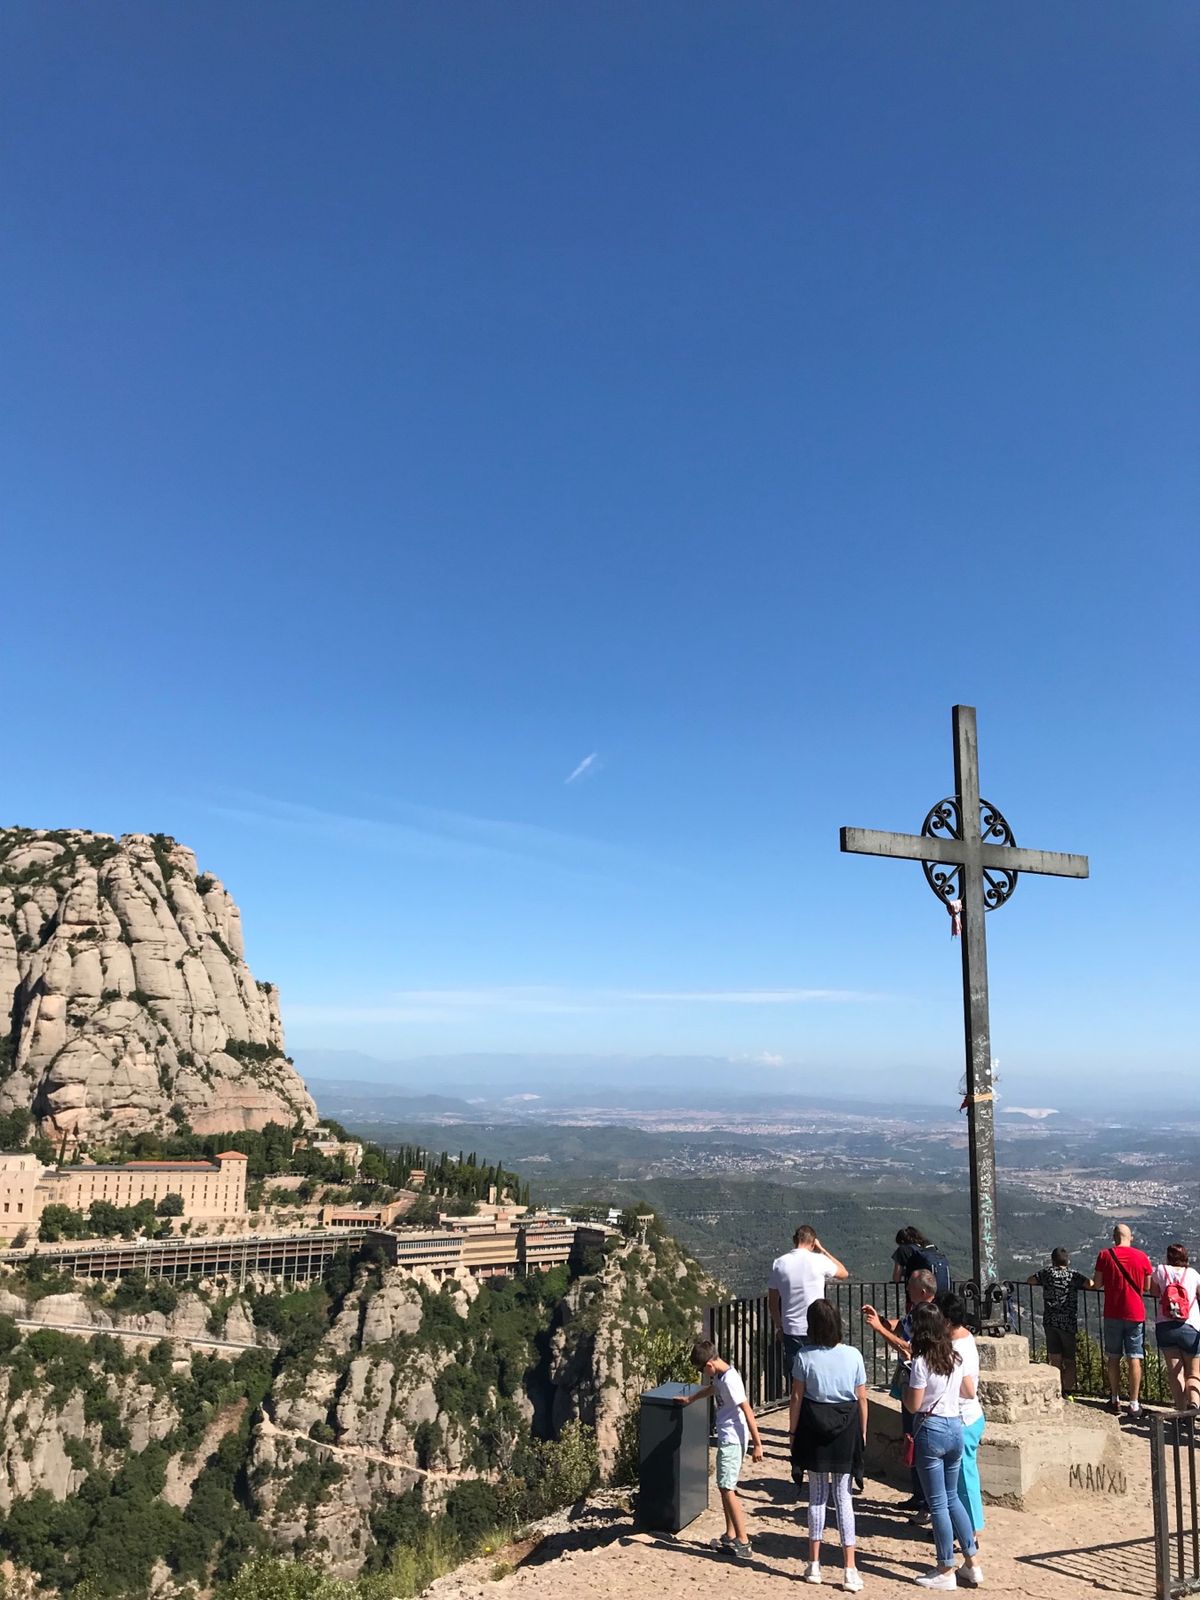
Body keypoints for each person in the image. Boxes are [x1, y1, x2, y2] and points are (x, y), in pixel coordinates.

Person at [789, 1299, 868, 1592]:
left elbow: (797, 1397)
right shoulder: (853, 1355)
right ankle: (850, 1569)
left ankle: (814, 1564)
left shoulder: (803, 1357)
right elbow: (862, 1398)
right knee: (844, 1498)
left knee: (817, 1496)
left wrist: (792, 1433)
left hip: (813, 1428)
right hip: (846, 1429)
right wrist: (862, 1432)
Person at [904, 1304, 982, 1590]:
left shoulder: (921, 1363)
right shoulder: (955, 1356)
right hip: (955, 1427)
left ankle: (945, 1567)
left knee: (937, 1503)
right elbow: (967, 1391)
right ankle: (971, 1563)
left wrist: (905, 1386)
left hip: (931, 1429)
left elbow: (914, 1405)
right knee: (952, 1498)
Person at [676, 1338, 764, 1562]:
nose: (703, 1375)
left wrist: (758, 1444)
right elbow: (713, 1389)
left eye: (702, 1370)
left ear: (709, 1365)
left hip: (732, 1439)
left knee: (726, 1487)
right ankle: (730, 1534)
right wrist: (691, 1398)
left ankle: (743, 1541)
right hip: (729, 1437)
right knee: (726, 1485)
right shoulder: (722, 1376)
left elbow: (747, 1410)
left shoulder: (731, 1380)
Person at [863, 1268, 937, 1519]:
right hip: (910, 1381)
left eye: (911, 1286)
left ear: (923, 1291)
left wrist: (879, 1329)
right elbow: (901, 1327)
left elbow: (909, 1347)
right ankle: (919, 1495)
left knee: (917, 1438)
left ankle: (926, 1502)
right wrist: (882, 1321)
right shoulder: (918, 1311)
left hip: (917, 1386)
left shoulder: (928, 1316)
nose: (907, 1289)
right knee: (910, 1437)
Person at [937, 1292, 985, 1563]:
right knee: (959, 1481)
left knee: (965, 1481)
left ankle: (972, 1533)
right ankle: (961, 1529)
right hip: (968, 1418)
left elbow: (968, 1390)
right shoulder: (965, 1338)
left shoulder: (957, 1348)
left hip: (964, 1418)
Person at [769, 1225, 850, 1370]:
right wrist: (823, 1250)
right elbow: (844, 1273)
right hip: (817, 1326)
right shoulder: (819, 1260)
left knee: (796, 1374)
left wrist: (779, 1326)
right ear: (813, 1244)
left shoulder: (779, 1263)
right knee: (819, 1372)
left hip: (791, 1329)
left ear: (794, 1240)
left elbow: (773, 1303)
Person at [1093, 1224, 1153, 1416]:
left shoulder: (1104, 1255)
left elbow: (1098, 1283)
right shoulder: (1142, 1257)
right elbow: (1147, 1286)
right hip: (1135, 1313)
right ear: (1131, 1237)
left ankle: (1114, 1398)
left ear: (1114, 1237)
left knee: (1113, 1356)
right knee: (1134, 1357)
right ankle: (1134, 1403)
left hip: (1112, 1312)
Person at [1026, 1248, 1093, 1397]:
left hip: (1050, 1321)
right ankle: (1067, 1391)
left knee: (1055, 1358)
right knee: (1070, 1360)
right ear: (1067, 1261)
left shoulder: (1047, 1273)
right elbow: (1090, 1284)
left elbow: (1030, 1280)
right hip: (1068, 1323)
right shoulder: (1073, 1275)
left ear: (1052, 1260)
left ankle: (1056, 1390)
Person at [1150, 1244, 1200, 1411]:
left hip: (1165, 1326)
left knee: (1175, 1373)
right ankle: (1194, 1405)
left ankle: (1180, 1410)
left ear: (1168, 1257)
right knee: (1193, 1373)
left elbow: (1154, 1292)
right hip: (1190, 1326)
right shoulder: (1193, 1274)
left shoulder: (1160, 1271)